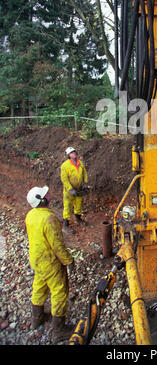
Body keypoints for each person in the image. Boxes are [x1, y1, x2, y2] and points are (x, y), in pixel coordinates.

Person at [25, 185, 75, 343]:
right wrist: (69, 261)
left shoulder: (30, 215)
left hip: (36, 259)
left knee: (39, 286)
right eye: (46, 194)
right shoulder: (49, 218)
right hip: (49, 261)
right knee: (59, 290)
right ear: (42, 200)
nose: (49, 194)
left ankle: (37, 318)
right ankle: (58, 330)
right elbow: (57, 246)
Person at [60, 147, 88, 234]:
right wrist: (70, 189)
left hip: (79, 188)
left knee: (79, 204)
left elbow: (84, 173)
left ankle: (78, 219)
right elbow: (64, 179)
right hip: (69, 191)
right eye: (71, 152)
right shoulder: (65, 165)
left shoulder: (80, 163)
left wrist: (85, 183)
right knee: (68, 206)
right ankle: (65, 225)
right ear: (68, 155)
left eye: (74, 152)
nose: (74, 153)